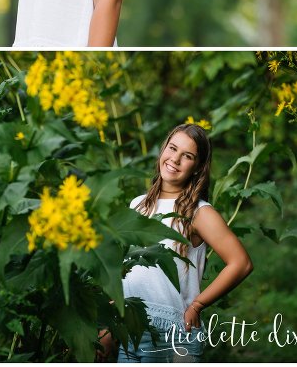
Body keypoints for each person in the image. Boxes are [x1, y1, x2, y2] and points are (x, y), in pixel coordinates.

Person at [102, 123, 253, 362]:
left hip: (172, 334)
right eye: (172, 149)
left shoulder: (198, 212)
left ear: (197, 167)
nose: (175, 159)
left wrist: (197, 305)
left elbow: (241, 263)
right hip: (130, 330)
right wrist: (110, 326)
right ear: (163, 150)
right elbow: (125, 271)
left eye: (188, 156)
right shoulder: (138, 205)